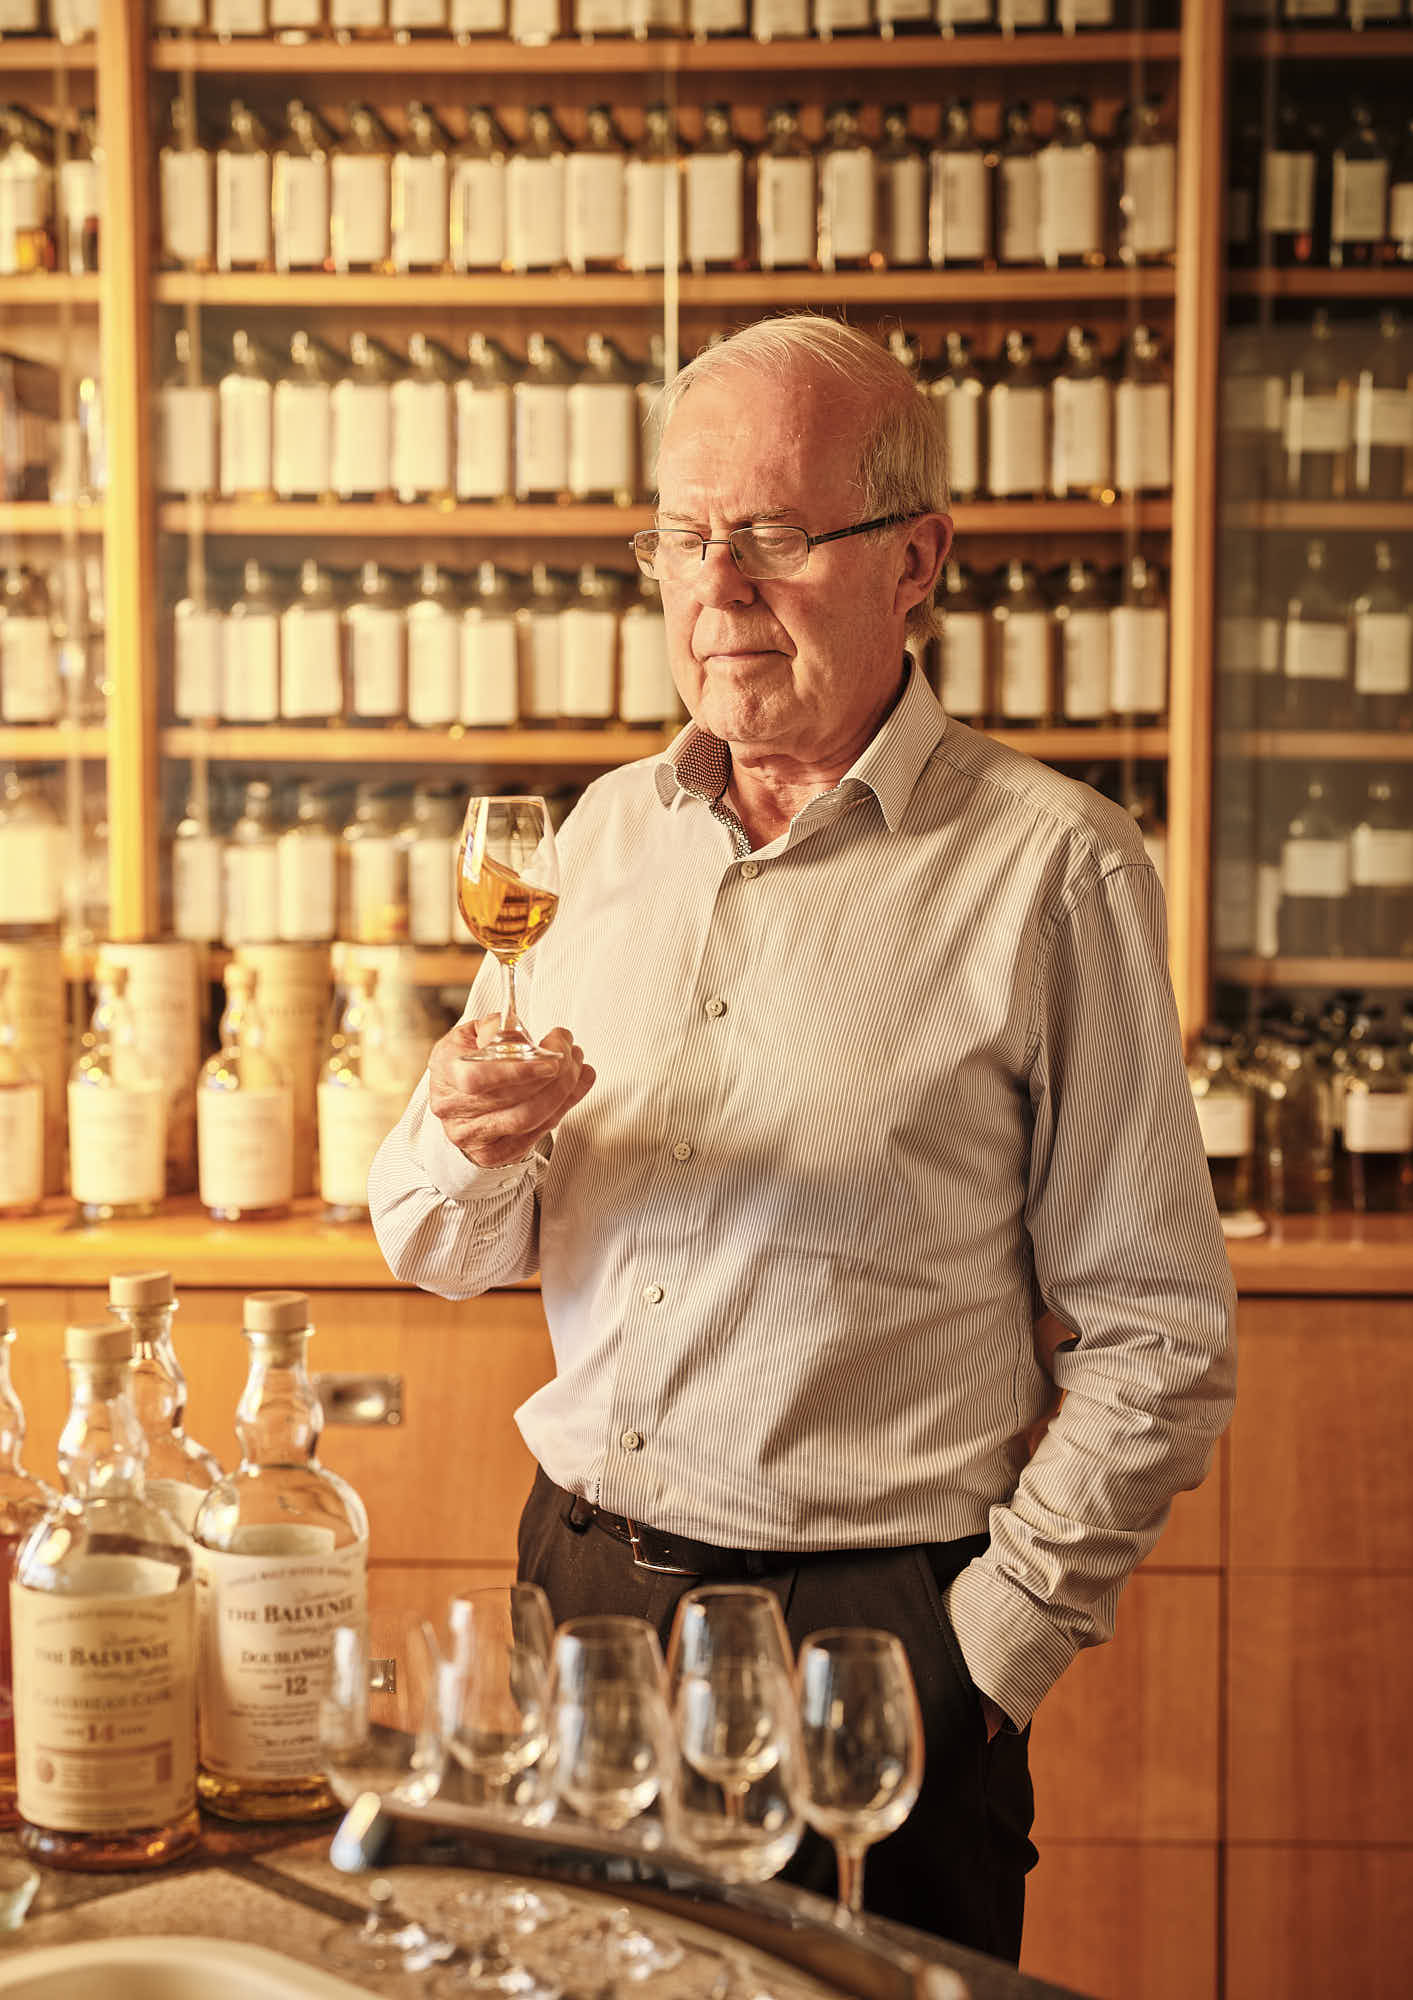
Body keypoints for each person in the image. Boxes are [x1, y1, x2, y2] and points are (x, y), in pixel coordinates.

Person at [369, 313, 1237, 1965]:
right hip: (585, 1599)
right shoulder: (600, 840)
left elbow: (1161, 1339)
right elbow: (432, 1245)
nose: (716, 590)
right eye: (682, 541)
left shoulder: (1055, 871)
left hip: (869, 1635)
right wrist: (478, 1151)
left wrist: (987, 1648)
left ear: (915, 560)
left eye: (769, 536)